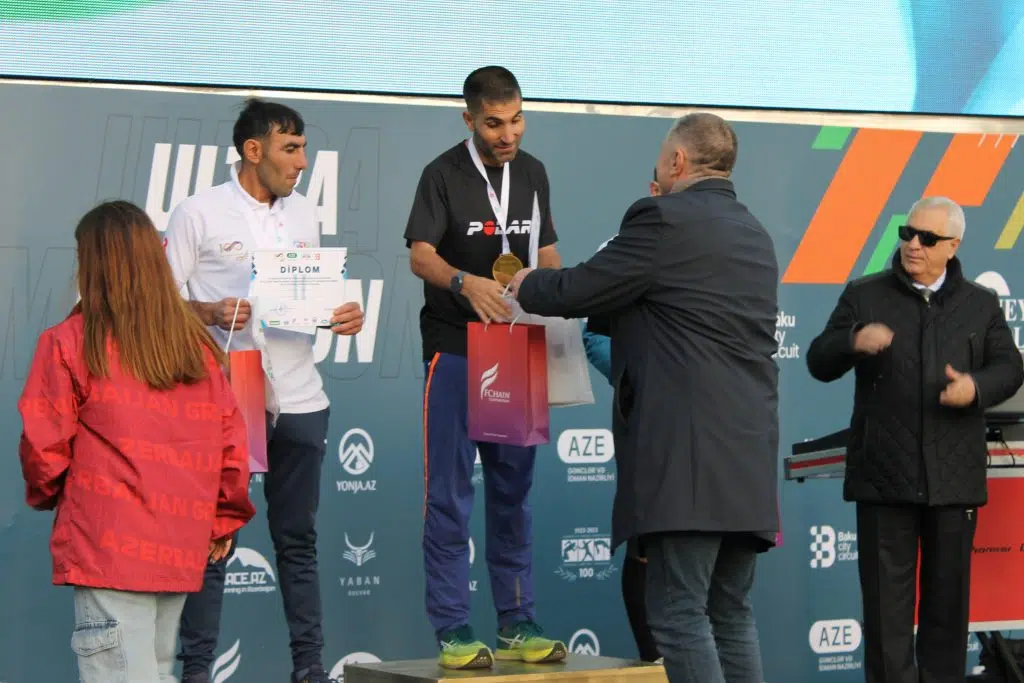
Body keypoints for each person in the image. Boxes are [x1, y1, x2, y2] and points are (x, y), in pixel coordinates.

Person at [509, 112, 780, 683]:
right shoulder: (754, 232)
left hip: (687, 453)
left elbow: (578, 288)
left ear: (677, 161)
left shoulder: (662, 218)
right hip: (749, 450)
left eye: (661, 158)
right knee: (731, 612)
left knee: (680, 613)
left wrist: (525, 283)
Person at [164, 98, 364, 683]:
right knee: (214, 537)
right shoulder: (197, 212)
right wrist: (208, 311)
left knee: (298, 540)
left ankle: (310, 669)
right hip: (233, 390)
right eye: (291, 148)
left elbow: (309, 299)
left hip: (301, 393)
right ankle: (196, 673)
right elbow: (162, 304)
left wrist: (341, 313)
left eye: (303, 149)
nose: (302, 161)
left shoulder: (304, 213)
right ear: (253, 151)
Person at [17, 200, 256, 683]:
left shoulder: (69, 341)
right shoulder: (196, 347)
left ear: (93, 265)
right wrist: (223, 518)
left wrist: (59, 499)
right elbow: (232, 446)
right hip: (177, 548)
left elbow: (44, 451)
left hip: (107, 547)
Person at [805, 196, 1024, 683]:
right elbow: (818, 359)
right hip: (883, 479)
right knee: (887, 621)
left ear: (953, 246)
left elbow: (1010, 368)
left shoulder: (981, 304)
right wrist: (852, 341)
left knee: (946, 616)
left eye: (927, 238)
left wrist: (974, 388)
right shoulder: (865, 295)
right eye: (908, 233)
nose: (913, 245)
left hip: (953, 482)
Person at [403, 65, 566, 670]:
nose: (509, 134)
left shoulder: (533, 172)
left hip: (516, 346)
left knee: (512, 492)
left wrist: (556, 292)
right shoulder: (442, 173)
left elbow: (545, 250)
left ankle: (517, 622)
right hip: (454, 346)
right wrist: (464, 283)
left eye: (518, 119)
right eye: (495, 123)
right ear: (469, 118)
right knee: (449, 494)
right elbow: (421, 255)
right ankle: (452, 628)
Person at [581, 168, 662, 665]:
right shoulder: (623, 247)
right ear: (656, 189)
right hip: (650, 419)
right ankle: (655, 662)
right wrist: (641, 382)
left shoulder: (721, 244)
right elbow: (594, 333)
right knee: (646, 539)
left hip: (712, 421)